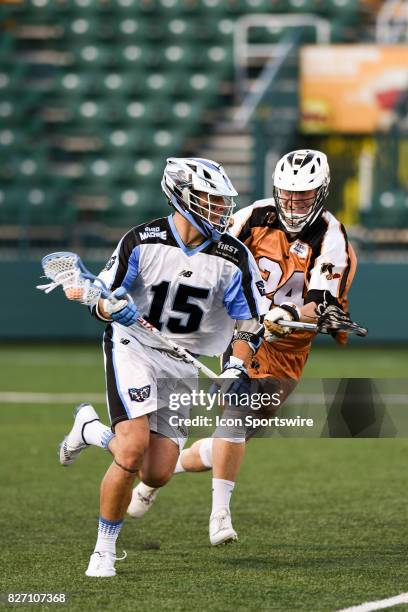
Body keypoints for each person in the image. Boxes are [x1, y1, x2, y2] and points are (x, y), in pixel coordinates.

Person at [128, 149, 358, 544]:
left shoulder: (332, 237)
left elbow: (321, 301)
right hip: (244, 330)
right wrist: (255, 310)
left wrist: (286, 311)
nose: (293, 202)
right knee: (235, 413)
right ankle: (220, 516)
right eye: (287, 193)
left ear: (321, 193)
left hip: (289, 347)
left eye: (303, 195)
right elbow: (216, 252)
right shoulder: (254, 216)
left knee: (227, 438)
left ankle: (153, 481)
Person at [58, 157, 266, 577]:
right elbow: (99, 298)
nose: (219, 209)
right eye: (209, 199)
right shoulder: (142, 240)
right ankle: (104, 550)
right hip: (133, 346)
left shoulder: (233, 255)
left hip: (182, 360)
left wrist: (235, 370)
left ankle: (90, 430)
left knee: (159, 470)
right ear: (182, 195)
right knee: (132, 450)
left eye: (221, 201)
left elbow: (249, 323)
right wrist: (104, 305)